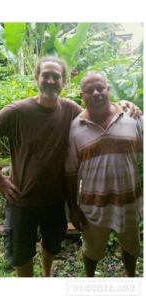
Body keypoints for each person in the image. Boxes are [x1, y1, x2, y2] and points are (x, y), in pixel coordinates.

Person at [0, 57, 139, 277]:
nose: (51, 80)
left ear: (63, 82)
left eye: (56, 76)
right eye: (46, 75)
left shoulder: (70, 109)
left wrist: (124, 105)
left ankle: (47, 276)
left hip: (55, 200)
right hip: (22, 198)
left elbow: (98, 110)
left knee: (51, 245)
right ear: (36, 78)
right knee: (21, 253)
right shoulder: (18, 111)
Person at [65, 71, 143, 277]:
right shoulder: (75, 128)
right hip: (93, 206)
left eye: (100, 88)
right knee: (91, 251)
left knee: (130, 246)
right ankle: (90, 283)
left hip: (129, 201)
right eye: (89, 90)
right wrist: (73, 208)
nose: (96, 93)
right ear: (82, 96)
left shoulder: (133, 118)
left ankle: (131, 280)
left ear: (108, 90)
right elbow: (70, 172)